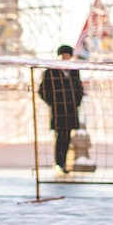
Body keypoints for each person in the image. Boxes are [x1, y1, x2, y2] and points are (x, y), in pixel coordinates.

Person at [38, 45, 84, 174]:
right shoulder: (51, 72)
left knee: (68, 136)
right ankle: (59, 162)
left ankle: (63, 161)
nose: (65, 58)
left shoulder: (74, 71)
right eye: (63, 56)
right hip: (58, 110)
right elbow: (42, 91)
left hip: (71, 109)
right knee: (60, 136)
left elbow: (79, 88)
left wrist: (77, 102)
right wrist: (53, 102)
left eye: (67, 56)